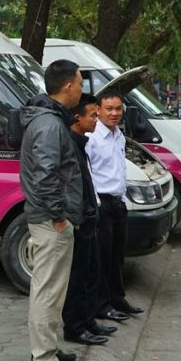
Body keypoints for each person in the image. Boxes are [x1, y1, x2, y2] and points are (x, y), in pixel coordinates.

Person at [19, 59, 84, 361]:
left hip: (49, 217)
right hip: (50, 220)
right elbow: (46, 178)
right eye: (81, 84)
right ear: (68, 86)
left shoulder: (49, 119)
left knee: (53, 289)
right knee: (47, 290)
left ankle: (48, 348)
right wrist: (59, 216)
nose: (82, 90)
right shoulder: (49, 125)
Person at [62, 94, 116, 347]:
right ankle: (75, 327)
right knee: (78, 276)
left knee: (92, 272)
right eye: (93, 115)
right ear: (77, 117)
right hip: (79, 218)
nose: (97, 120)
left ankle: (88, 320)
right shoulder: (69, 143)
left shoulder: (81, 142)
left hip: (90, 214)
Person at [87, 89, 142, 324]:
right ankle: (101, 305)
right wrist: (96, 205)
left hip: (119, 202)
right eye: (109, 109)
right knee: (102, 257)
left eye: (118, 109)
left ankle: (117, 299)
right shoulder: (92, 137)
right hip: (102, 203)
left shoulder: (119, 135)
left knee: (117, 255)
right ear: (98, 110)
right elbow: (87, 172)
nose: (114, 113)